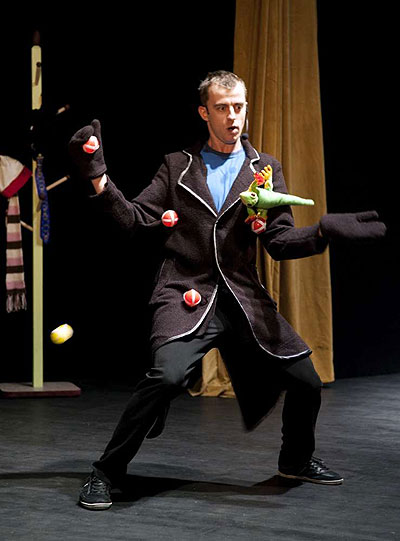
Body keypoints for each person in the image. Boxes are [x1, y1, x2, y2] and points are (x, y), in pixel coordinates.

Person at [69, 70, 386, 510]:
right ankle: (105, 472)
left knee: (307, 382)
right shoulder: (177, 166)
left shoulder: (264, 169)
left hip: (242, 297)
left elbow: (279, 242)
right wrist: (98, 178)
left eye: (238, 106)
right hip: (186, 290)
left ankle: (295, 460)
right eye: (222, 108)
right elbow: (135, 221)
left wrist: (322, 231)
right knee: (168, 377)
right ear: (205, 113)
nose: (233, 116)